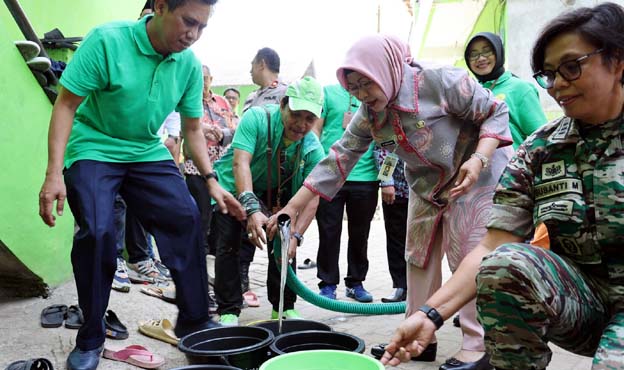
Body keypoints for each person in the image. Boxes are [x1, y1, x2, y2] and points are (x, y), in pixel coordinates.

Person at [379, 3, 624, 370]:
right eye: (549, 74)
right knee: (503, 264)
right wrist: (430, 315)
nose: (558, 85)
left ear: (617, 61)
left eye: (572, 67)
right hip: (582, 303)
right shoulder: (541, 150)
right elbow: (492, 245)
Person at [267, 34, 513, 370]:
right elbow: (339, 157)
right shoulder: (369, 113)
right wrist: (292, 207)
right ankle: (418, 337)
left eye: (366, 83)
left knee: (468, 256)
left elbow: (496, 110)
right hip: (427, 185)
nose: (362, 94)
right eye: (353, 88)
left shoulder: (439, 81)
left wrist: (480, 158)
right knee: (417, 259)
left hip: (475, 174)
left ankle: (477, 344)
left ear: (385, 69)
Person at [37, 1, 245, 369]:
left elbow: (193, 129)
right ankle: (91, 336)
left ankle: (195, 325)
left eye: (202, 28)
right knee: (99, 232)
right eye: (188, 22)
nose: (193, 35)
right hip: (95, 144)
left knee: (186, 217)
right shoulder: (107, 41)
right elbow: (66, 105)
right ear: (161, 7)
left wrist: (211, 181)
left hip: (146, 150)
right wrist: (54, 173)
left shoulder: (188, 65)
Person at [212, 76, 325, 326]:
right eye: (297, 114)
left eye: (310, 118)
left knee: (285, 240)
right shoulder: (257, 118)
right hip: (235, 187)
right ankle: (228, 308)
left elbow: (313, 198)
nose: (302, 124)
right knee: (230, 244)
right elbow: (240, 162)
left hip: (278, 196)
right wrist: (251, 208)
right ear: (284, 104)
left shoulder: (313, 148)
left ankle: (283, 307)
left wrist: (295, 235)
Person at [312, 83, 378, 302]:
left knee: (360, 233)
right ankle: (328, 284)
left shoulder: (372, 95)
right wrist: (319, 164)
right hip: (332, 174)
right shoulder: (328, 93)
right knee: (329, 231)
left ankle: (356, 283)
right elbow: (316, 130)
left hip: (365, 176)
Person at [238, 47, 289, 308]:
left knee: (279, 244)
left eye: (252, 63)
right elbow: (242, 137)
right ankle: (241, 290)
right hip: (249, 181)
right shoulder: (252, 98)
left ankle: (281, 305)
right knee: (244, 239)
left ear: (262, 63)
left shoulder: (288, 95)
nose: (249, 69)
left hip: (279, 185)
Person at [465, 32, 547, 149]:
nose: (481, 58)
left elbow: (541, 137)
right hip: (476, 166)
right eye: (474, 54)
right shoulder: (471, 92)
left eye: (487, 51)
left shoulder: (520, 88)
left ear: (498, 53)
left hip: (512, 165)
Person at [374, 145, 408, 303]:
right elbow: (385, 149)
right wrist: (386, 181)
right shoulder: (392, 121)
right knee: (396, 240)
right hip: (397, 190)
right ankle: (401, 286)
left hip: (426, 192)